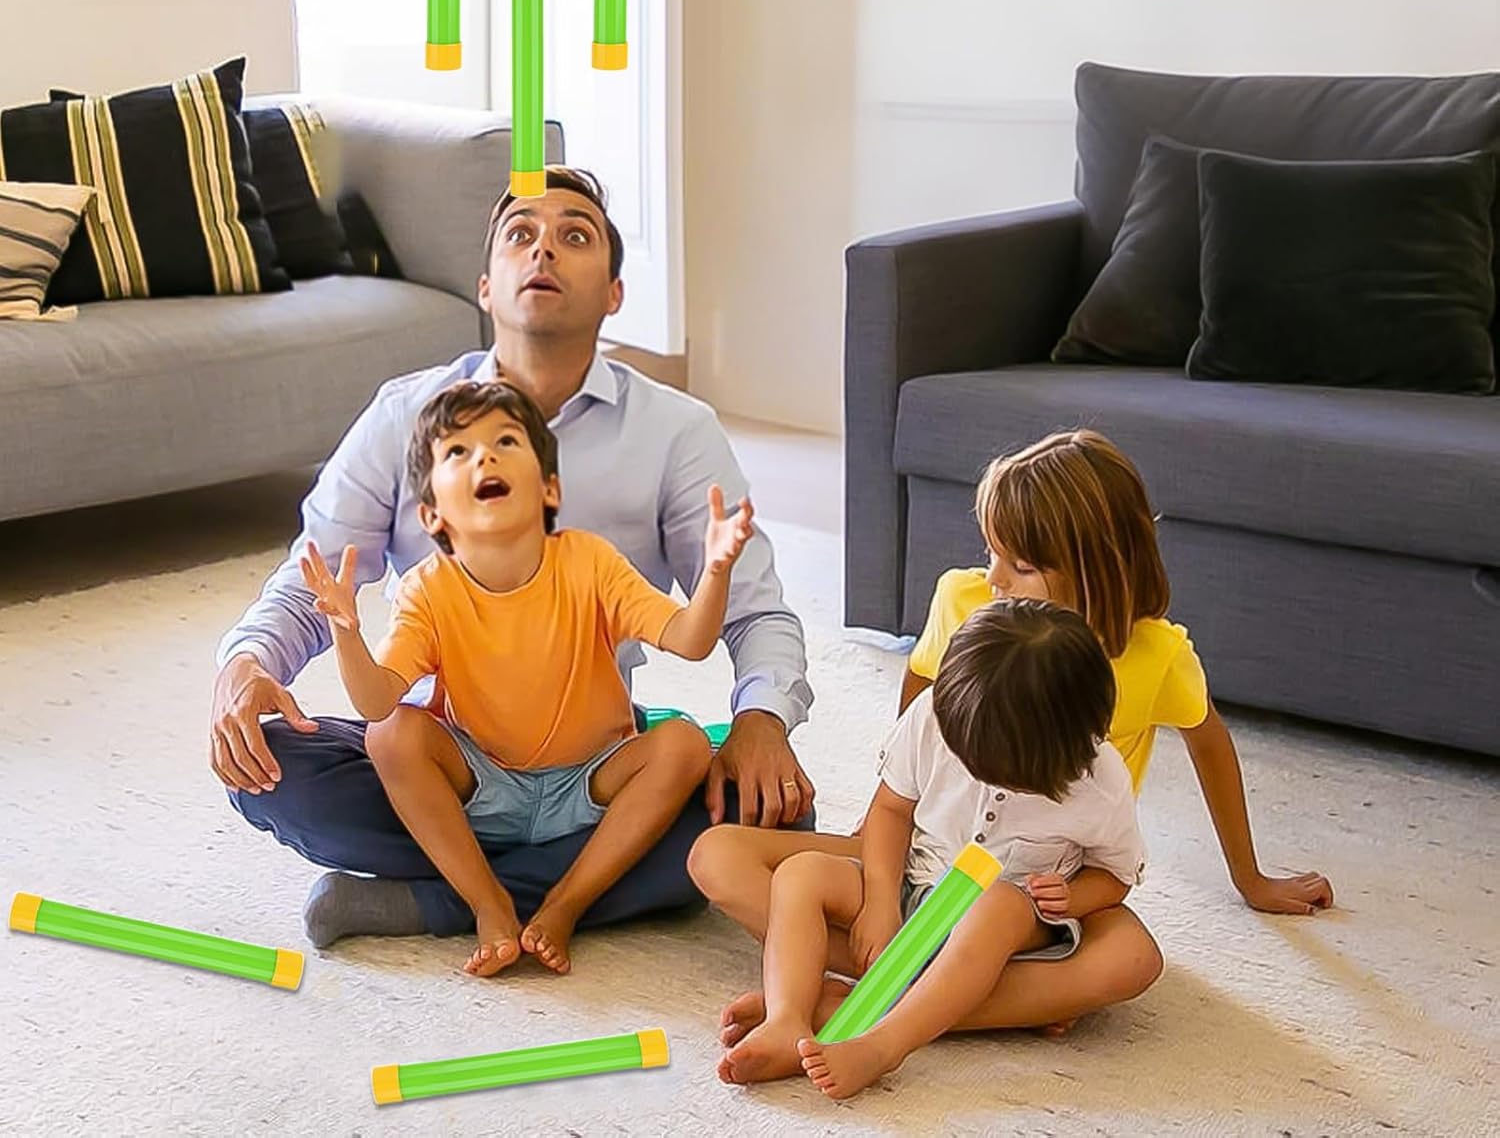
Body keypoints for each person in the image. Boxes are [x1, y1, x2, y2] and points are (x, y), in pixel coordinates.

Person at [211, 166, 815, 949]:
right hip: (446, 763)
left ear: (615, 293)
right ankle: (586, 881)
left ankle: (439, 900)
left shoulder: (676, 432)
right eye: (521, 234)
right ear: (486, 287)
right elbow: (312, 584)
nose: (544, 250)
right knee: (266, 765)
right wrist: (247, 663)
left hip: (592, 767)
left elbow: (753, 612)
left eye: (575, 235)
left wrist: (762, 720)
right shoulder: (402, 416)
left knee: (777, 811)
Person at [300, 378, 754, 976]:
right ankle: (486, 902)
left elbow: (691, 641)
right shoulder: (427, 589)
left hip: (593, 781)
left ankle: (564, 905)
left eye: (505, 442)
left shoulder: (591, 561)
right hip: (481, 784)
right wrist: (345, 632)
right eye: (457, 451)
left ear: (549, 488)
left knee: (687, 745)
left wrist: (715, 573)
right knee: (387, 736)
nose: (484, 458)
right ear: (431, 514)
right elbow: (377, 702)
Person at [689, 600, 1147, 1098]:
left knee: (1131, 955)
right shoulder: (936, 713)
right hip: (913, 880)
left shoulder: (1101, 781)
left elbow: (1115, 876)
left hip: (1011, 921)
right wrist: (881, 901)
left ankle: (880, 1036)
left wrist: (1073, 898)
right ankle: (789, 1017)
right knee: (786, 870)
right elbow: (891, 811)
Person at [901, 428, 1334, 916]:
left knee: (1126, 949)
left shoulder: (1156, 656)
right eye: (990, 552)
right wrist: (893, 804)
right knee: (836, 878)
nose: (994, 579)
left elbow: (1209, 742)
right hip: (944, 848)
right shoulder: (964, 601)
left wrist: (1250, 879)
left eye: (1020, 566)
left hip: (1054, 882)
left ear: (1094, 569)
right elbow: (922, 684)